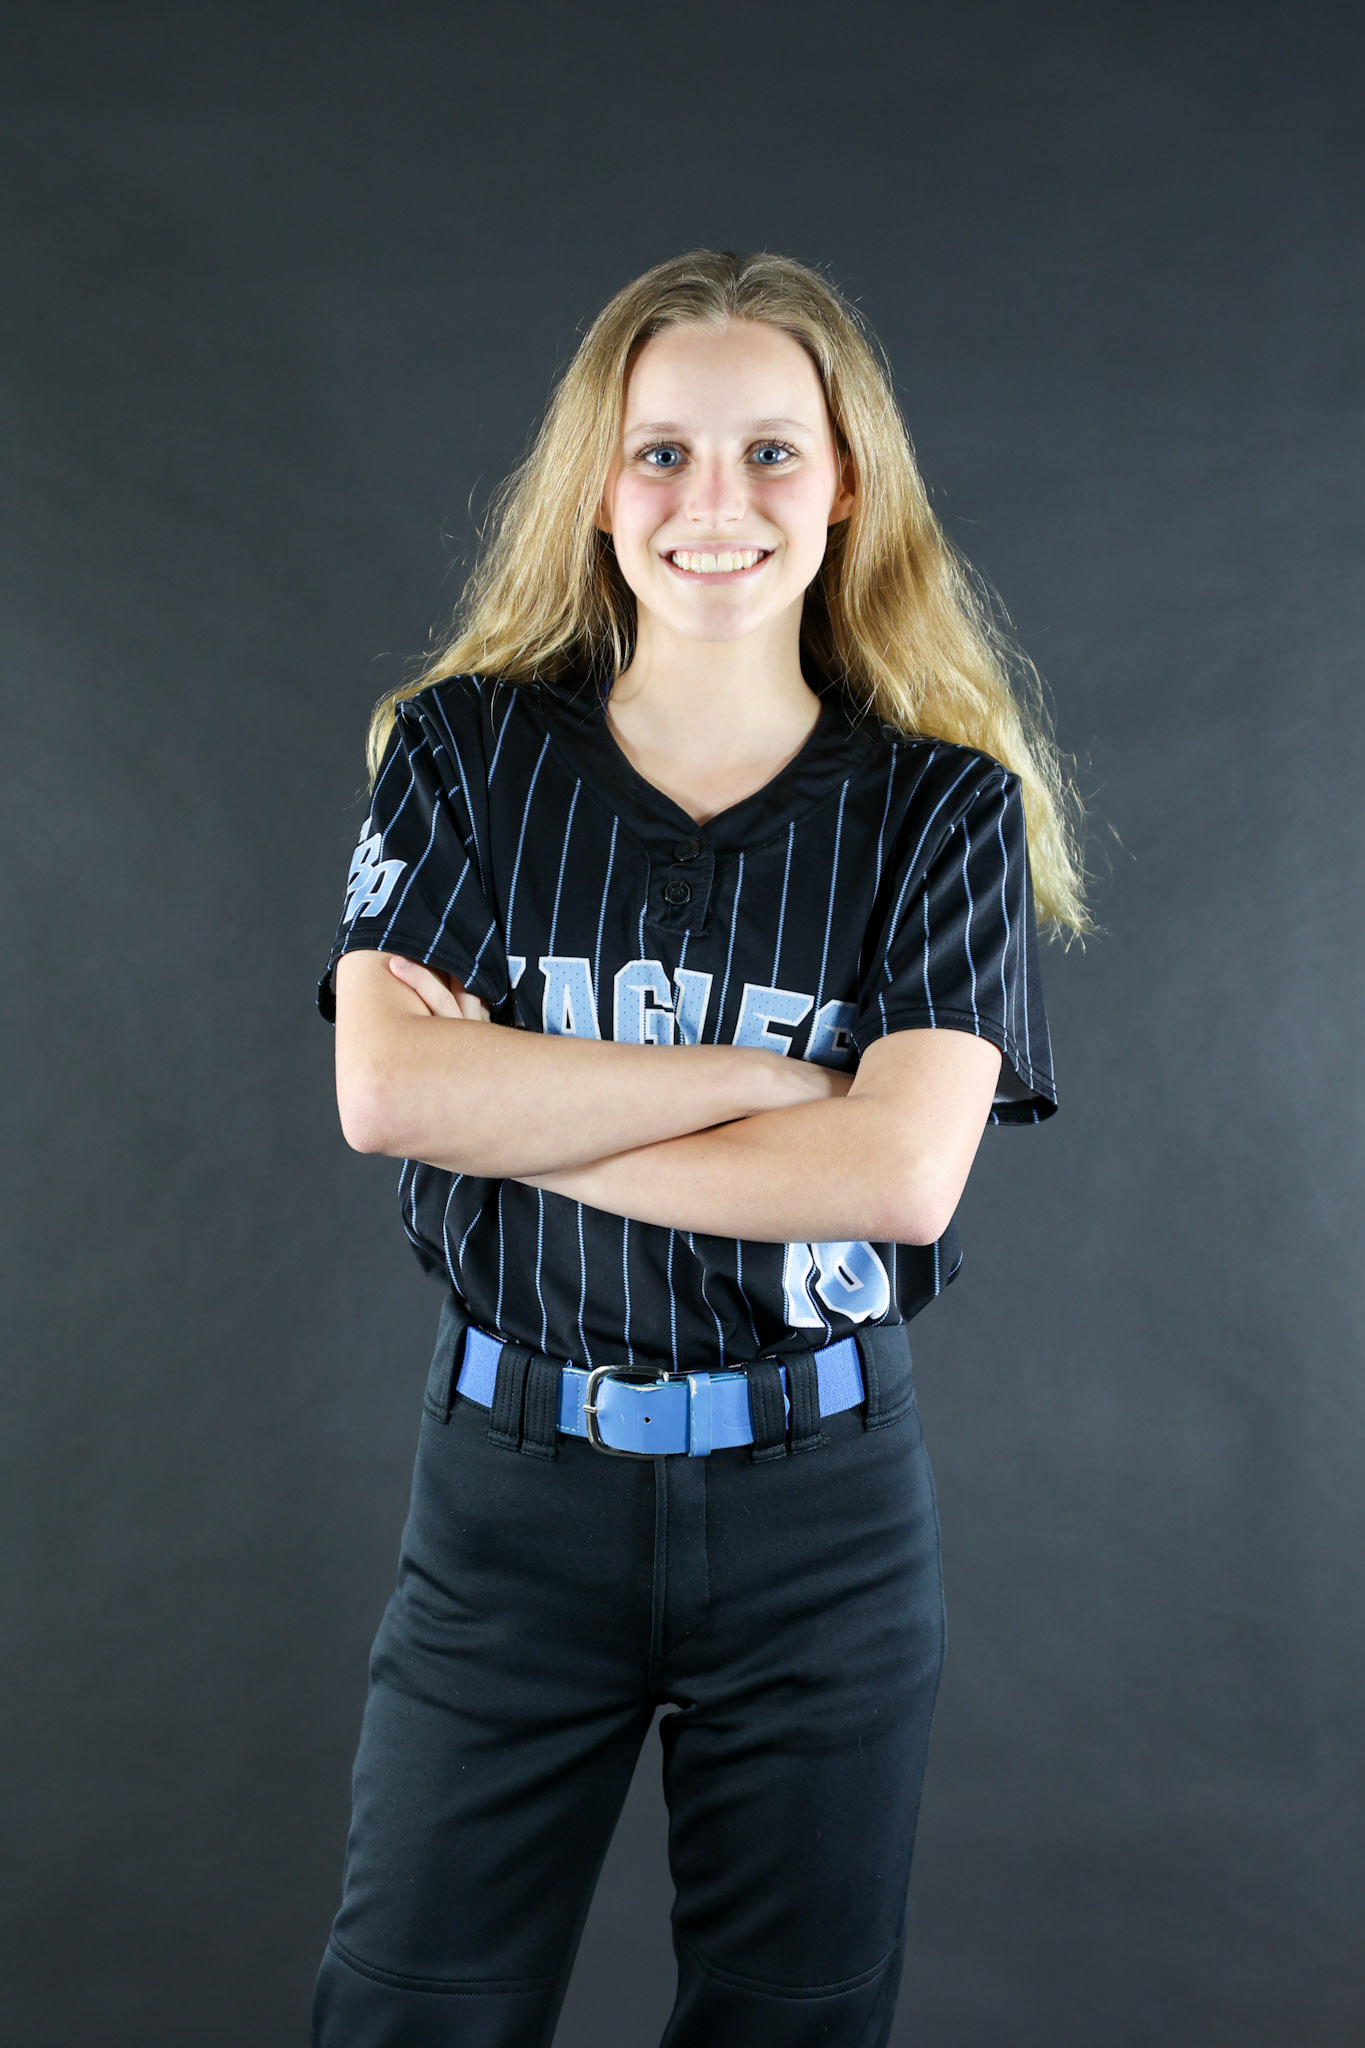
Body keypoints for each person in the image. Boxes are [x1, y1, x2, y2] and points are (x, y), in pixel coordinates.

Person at [310, 247, 1089, 2048]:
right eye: (660, 452)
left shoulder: (941, 805)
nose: (711, 503)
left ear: (846, 490)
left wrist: (514, 1099)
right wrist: (777, 1081)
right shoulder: (463, 755)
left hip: (820, 1508)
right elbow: (385, 1095)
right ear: (594, 487)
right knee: (408, 2011)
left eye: (768, 453)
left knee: (791, 2023)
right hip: (510, 1495)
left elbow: (897, 1180)